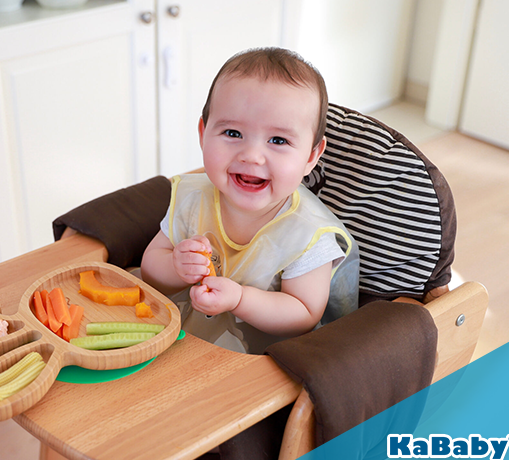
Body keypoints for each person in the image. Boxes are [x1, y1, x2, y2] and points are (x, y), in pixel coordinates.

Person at [140, 47, 358, 355]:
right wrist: (176, 266)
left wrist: (241, 300)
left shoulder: (309, 237)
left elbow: (303, 313)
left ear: (311, 156)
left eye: (278, 141)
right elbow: (149, 266)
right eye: (232, 132)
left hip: (259, 361)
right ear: (203, 134)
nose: (252, 156)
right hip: (183, 337)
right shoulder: (193, 198)